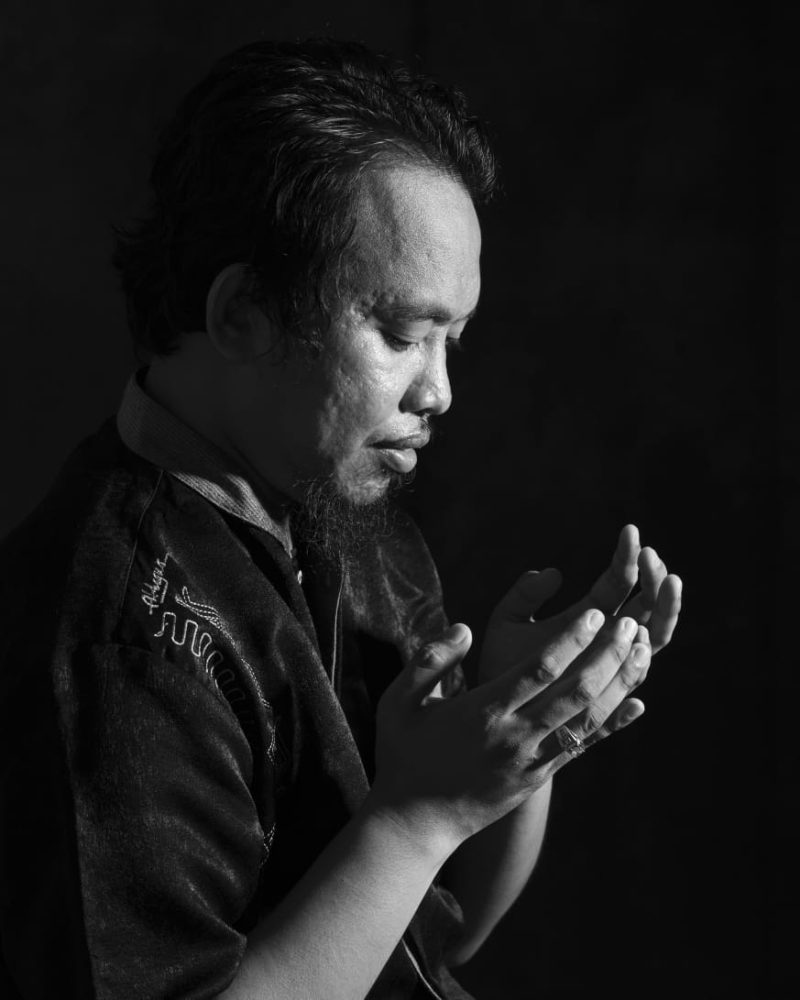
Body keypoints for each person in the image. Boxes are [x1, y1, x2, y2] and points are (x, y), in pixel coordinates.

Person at [0, 39, 682, 1000]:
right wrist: (419, 818)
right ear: (243, 312)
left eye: (452, 341)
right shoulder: (120, 639)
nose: (439, 391)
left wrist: (527, 731)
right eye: (402, 334)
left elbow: (437, 945)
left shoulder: (354, 519)